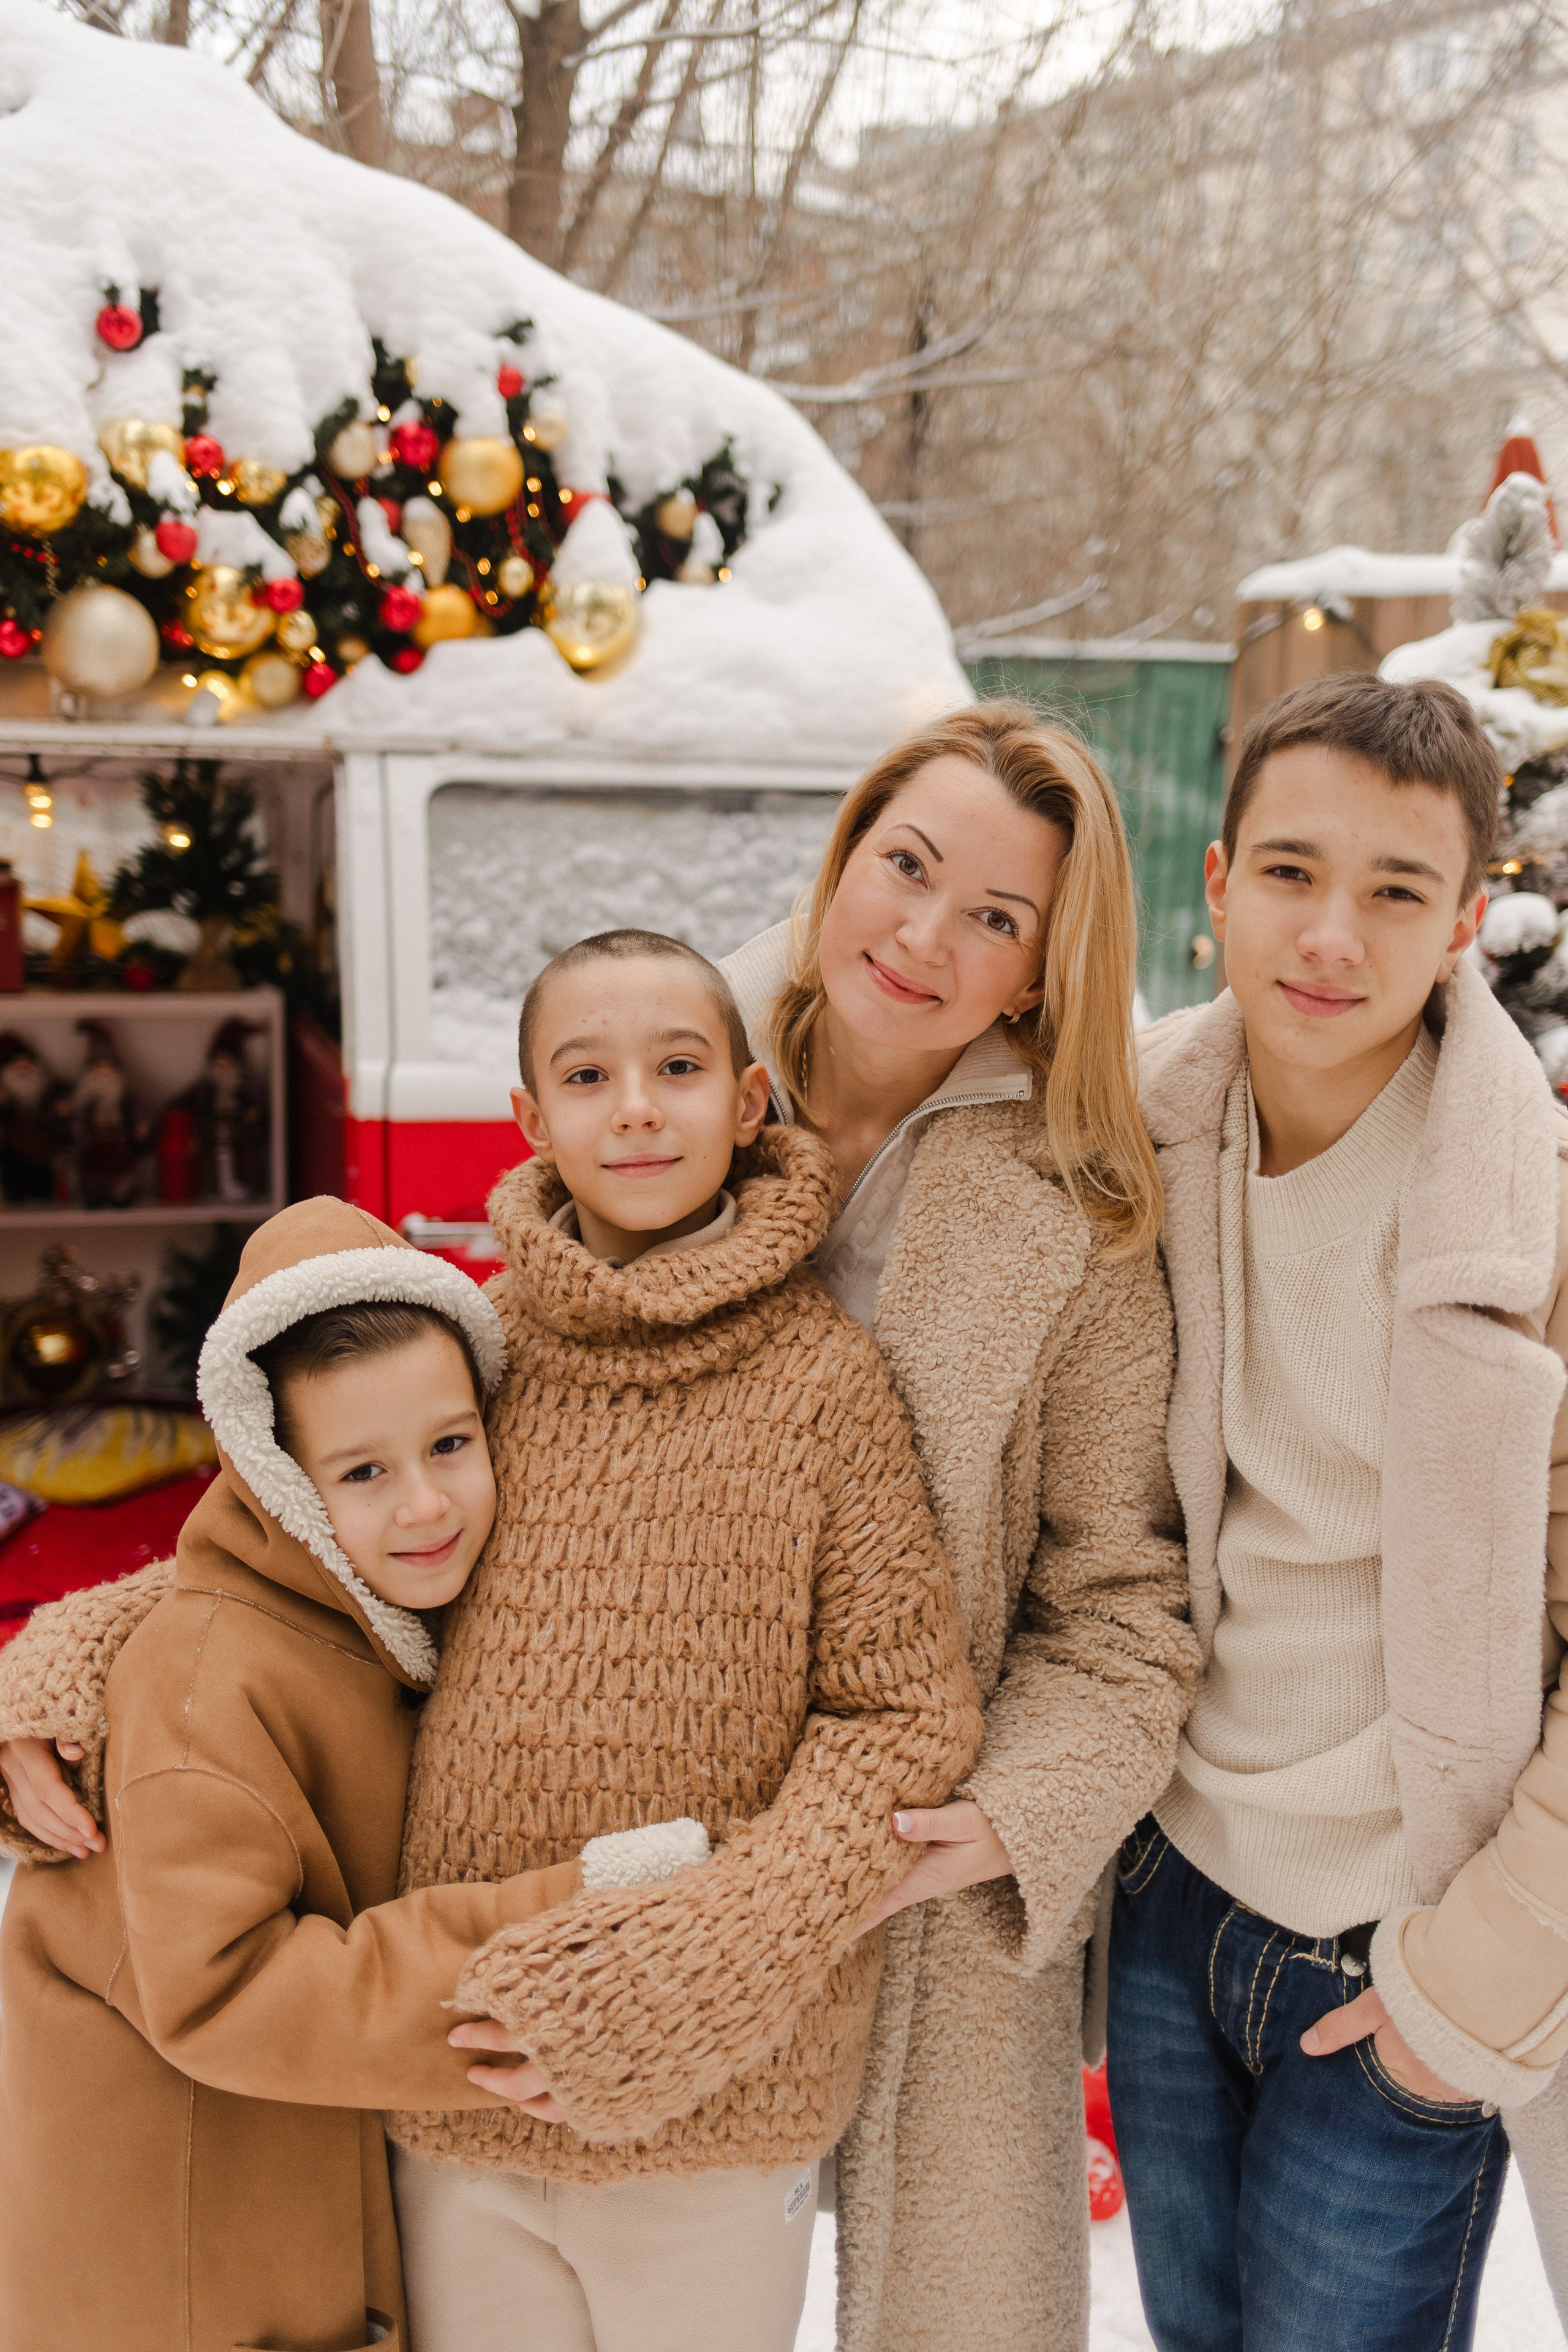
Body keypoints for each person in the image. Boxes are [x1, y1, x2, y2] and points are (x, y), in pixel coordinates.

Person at [0, 929, 984, 2352]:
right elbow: (286, 1551)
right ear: (530, 1121)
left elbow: (899, 1720)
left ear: (751, 1100)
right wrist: (66, 1655)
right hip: (456, 2091)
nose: (635, 1106)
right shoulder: (479, 1350)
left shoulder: (825, 1381)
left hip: (711, 2096)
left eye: (678, 1068)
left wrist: (717, 1951)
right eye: (588, 1075)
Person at [710, 699, 1200, 2352]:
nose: (923, 938)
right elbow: (482, 1426)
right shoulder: (673, 1080)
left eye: (995, 917)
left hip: (920, 1874)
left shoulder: (1081, 1207)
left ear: (1041, 974)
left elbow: (1124, 1602)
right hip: (658, 1823)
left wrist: (1004, 1821)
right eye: (903, 867)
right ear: (845, 854)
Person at [0, 1198, 701, 2352]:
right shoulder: (213, 1683)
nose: (424, 1504)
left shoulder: (369, 1604)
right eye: (363, 1470)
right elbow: (228, 1990)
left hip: (280, 2173)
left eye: (450, 1445)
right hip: (183, 2249)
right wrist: (570, 1918)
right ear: (277, 1482)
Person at [1115, 672, 1568, 2351]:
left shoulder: (1539, 1228)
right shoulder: (1140, 1136)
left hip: (1398, 1946)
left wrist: (1461, 2003)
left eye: (1396, 891)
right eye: (1294, 872)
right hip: (1176, 1903)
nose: (1333, 933)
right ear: (1220, 884)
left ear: (1463, 927)